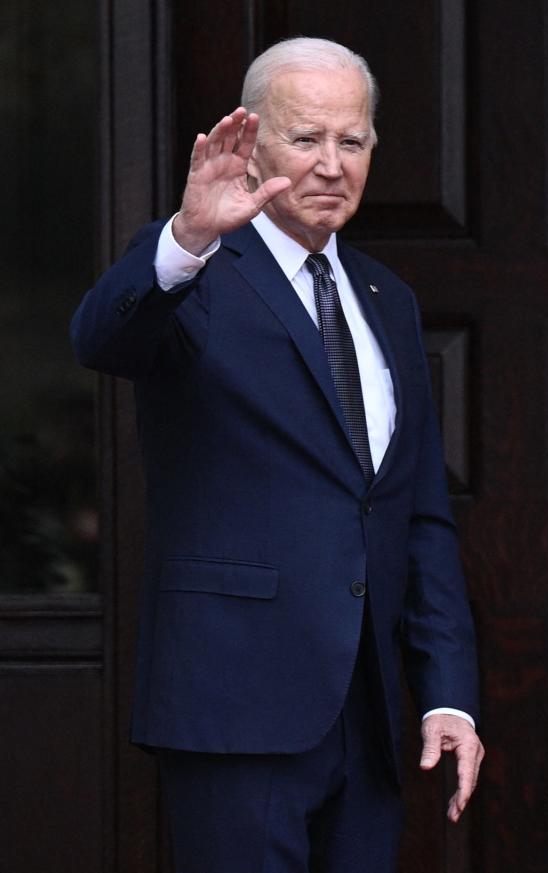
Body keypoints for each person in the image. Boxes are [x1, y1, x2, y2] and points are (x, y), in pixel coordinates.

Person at [71, 37, 482, 873]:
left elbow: (417, 516)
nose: (332, 165)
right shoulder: (198, 269)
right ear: (252, 142)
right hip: (237, 709)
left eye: (353, 141)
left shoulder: (387, 300)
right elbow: (101, 337)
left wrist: (447, 694)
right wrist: (186, 236)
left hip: (364, 717)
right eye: (306, 139)